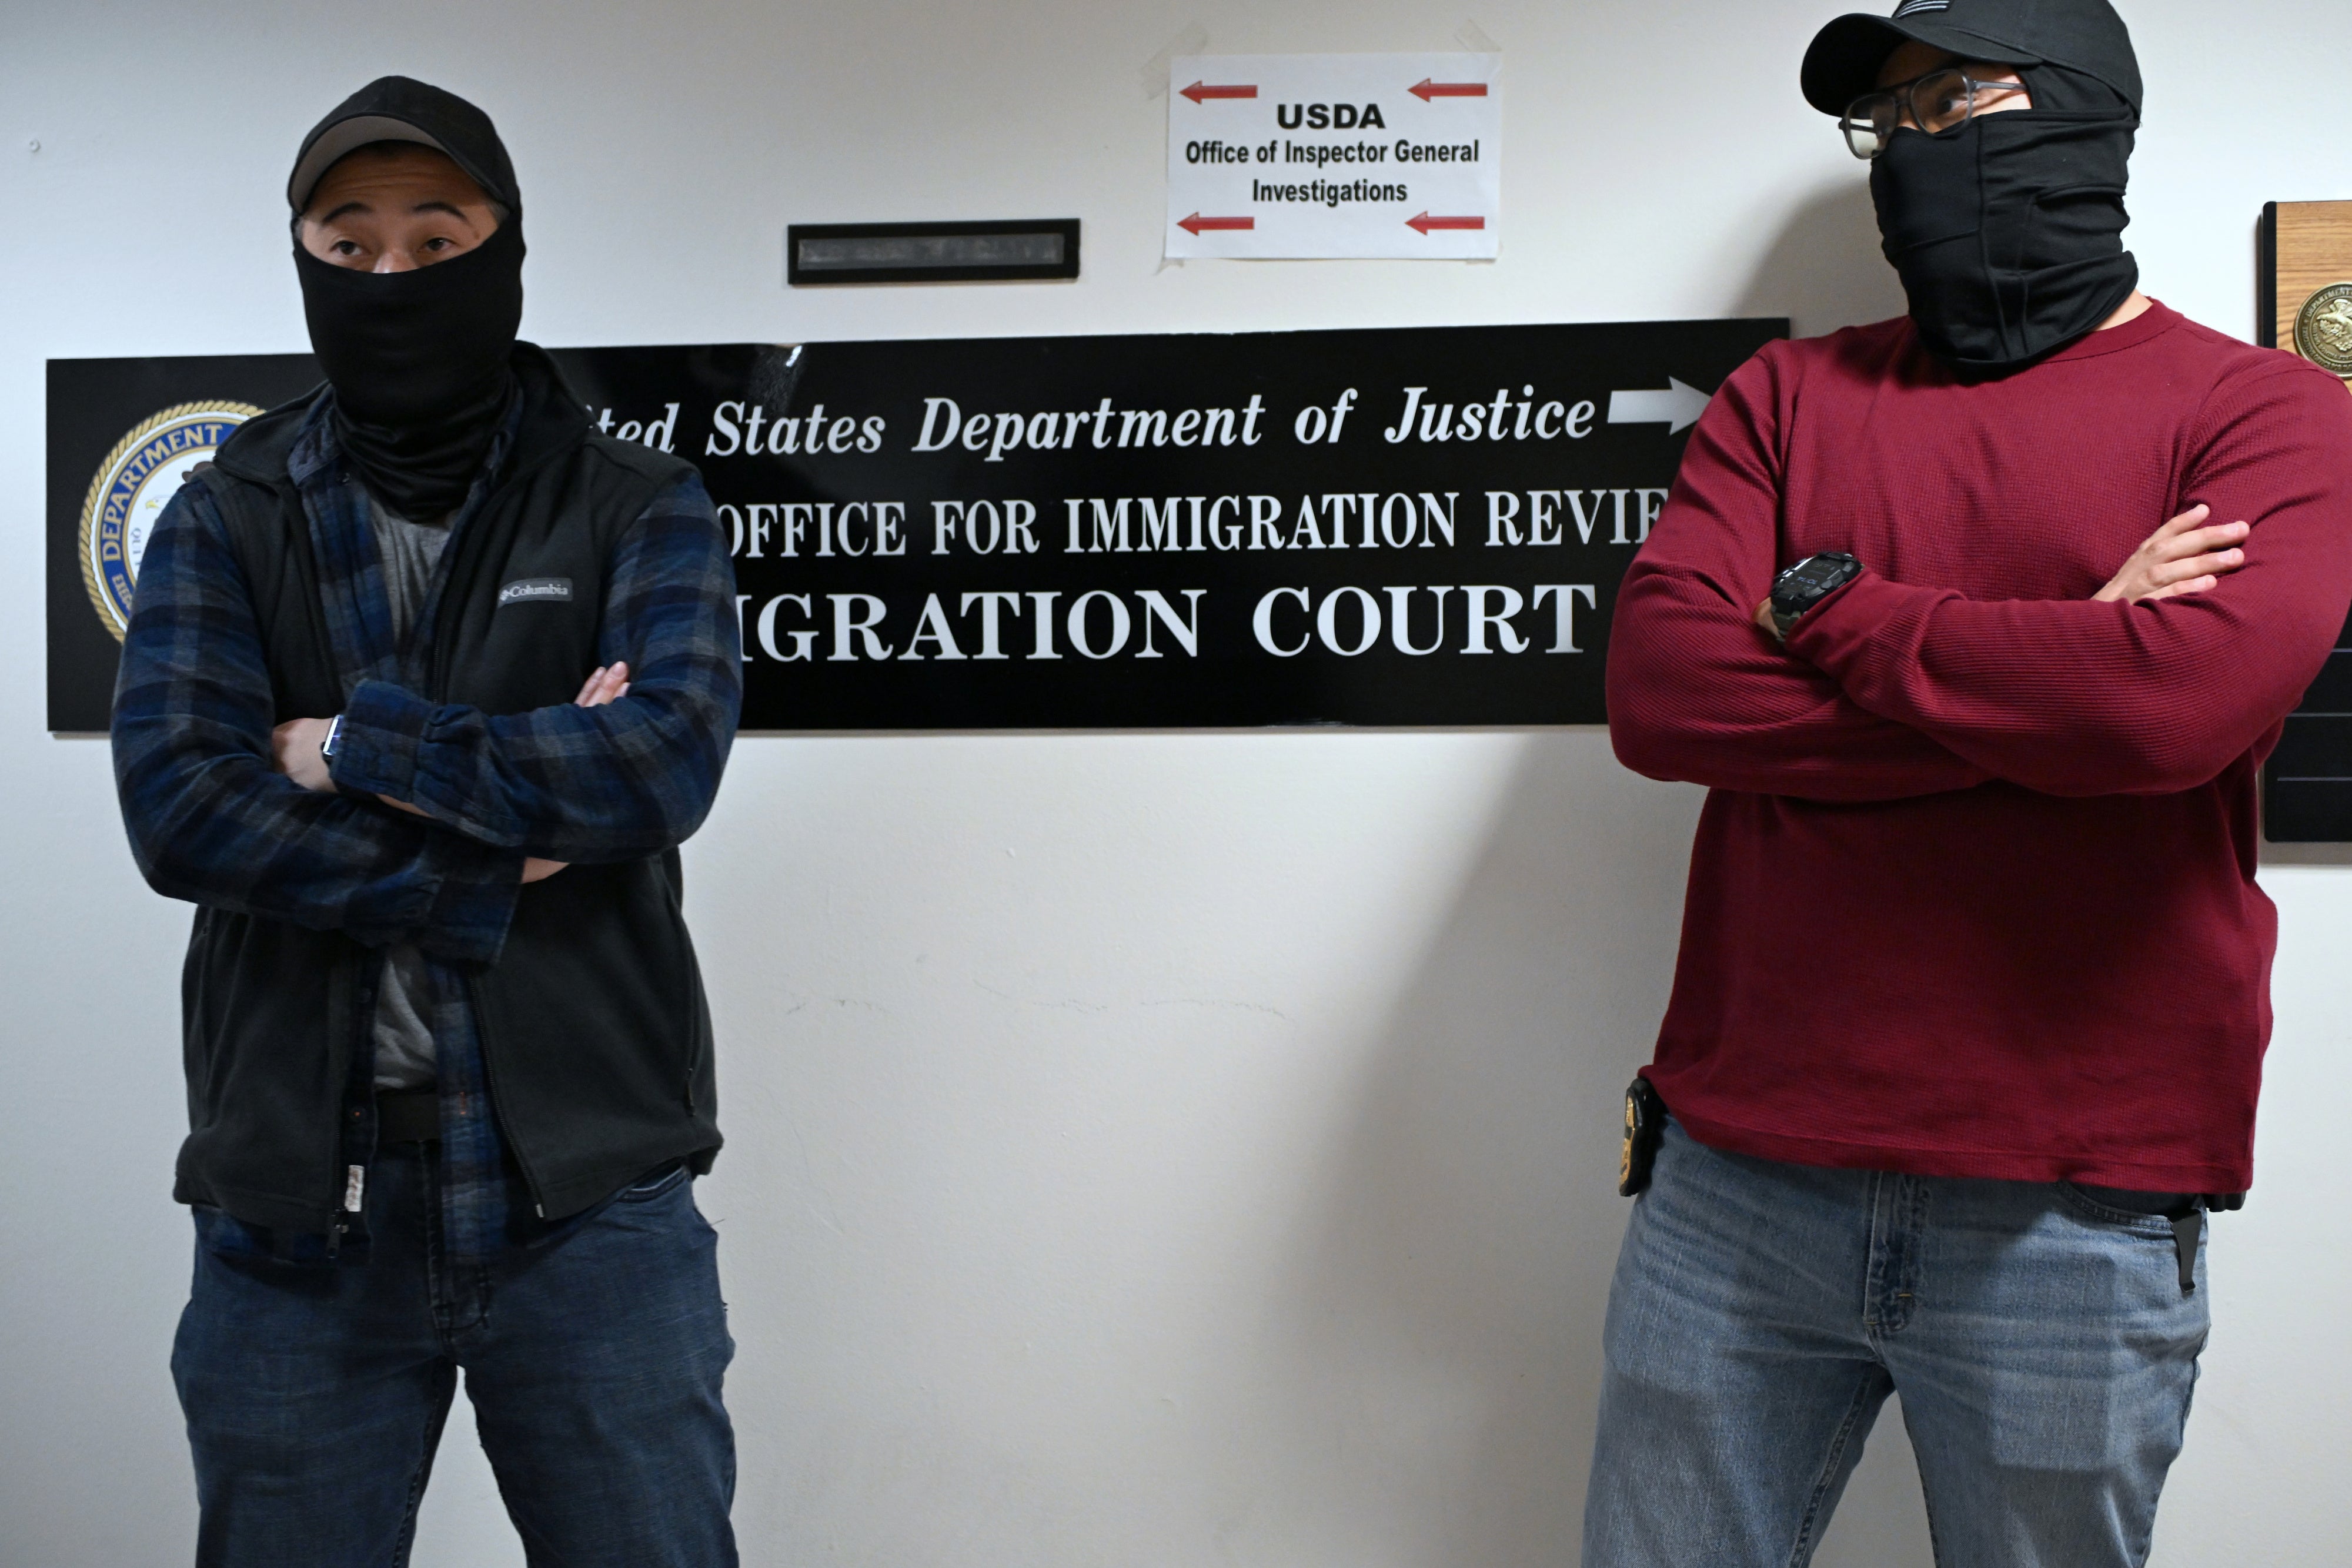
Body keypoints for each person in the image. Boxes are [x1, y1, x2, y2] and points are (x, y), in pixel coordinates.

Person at [1593, 1, 2352, 1563]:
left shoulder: (2261, 412)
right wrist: (2067, 663)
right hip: (1740, 1175)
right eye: (1891, 126)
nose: (1917, 155)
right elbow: (1667, 696)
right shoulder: (1786, 401)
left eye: (1957, 104)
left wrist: (1831, 610)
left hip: (2072, 1202)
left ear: (2078, 117)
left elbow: (2172, 717)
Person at [111, 77, 743, 1567]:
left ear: (506, 248)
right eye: (350, 246)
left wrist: (348, 740)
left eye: (434, 238)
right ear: (306, 261)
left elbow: (657, 769)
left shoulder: (633, 501)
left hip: (591, 1206)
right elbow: (186, 811)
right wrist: (494, 856)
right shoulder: (227, 509)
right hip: (296, 1218)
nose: (392, 278)